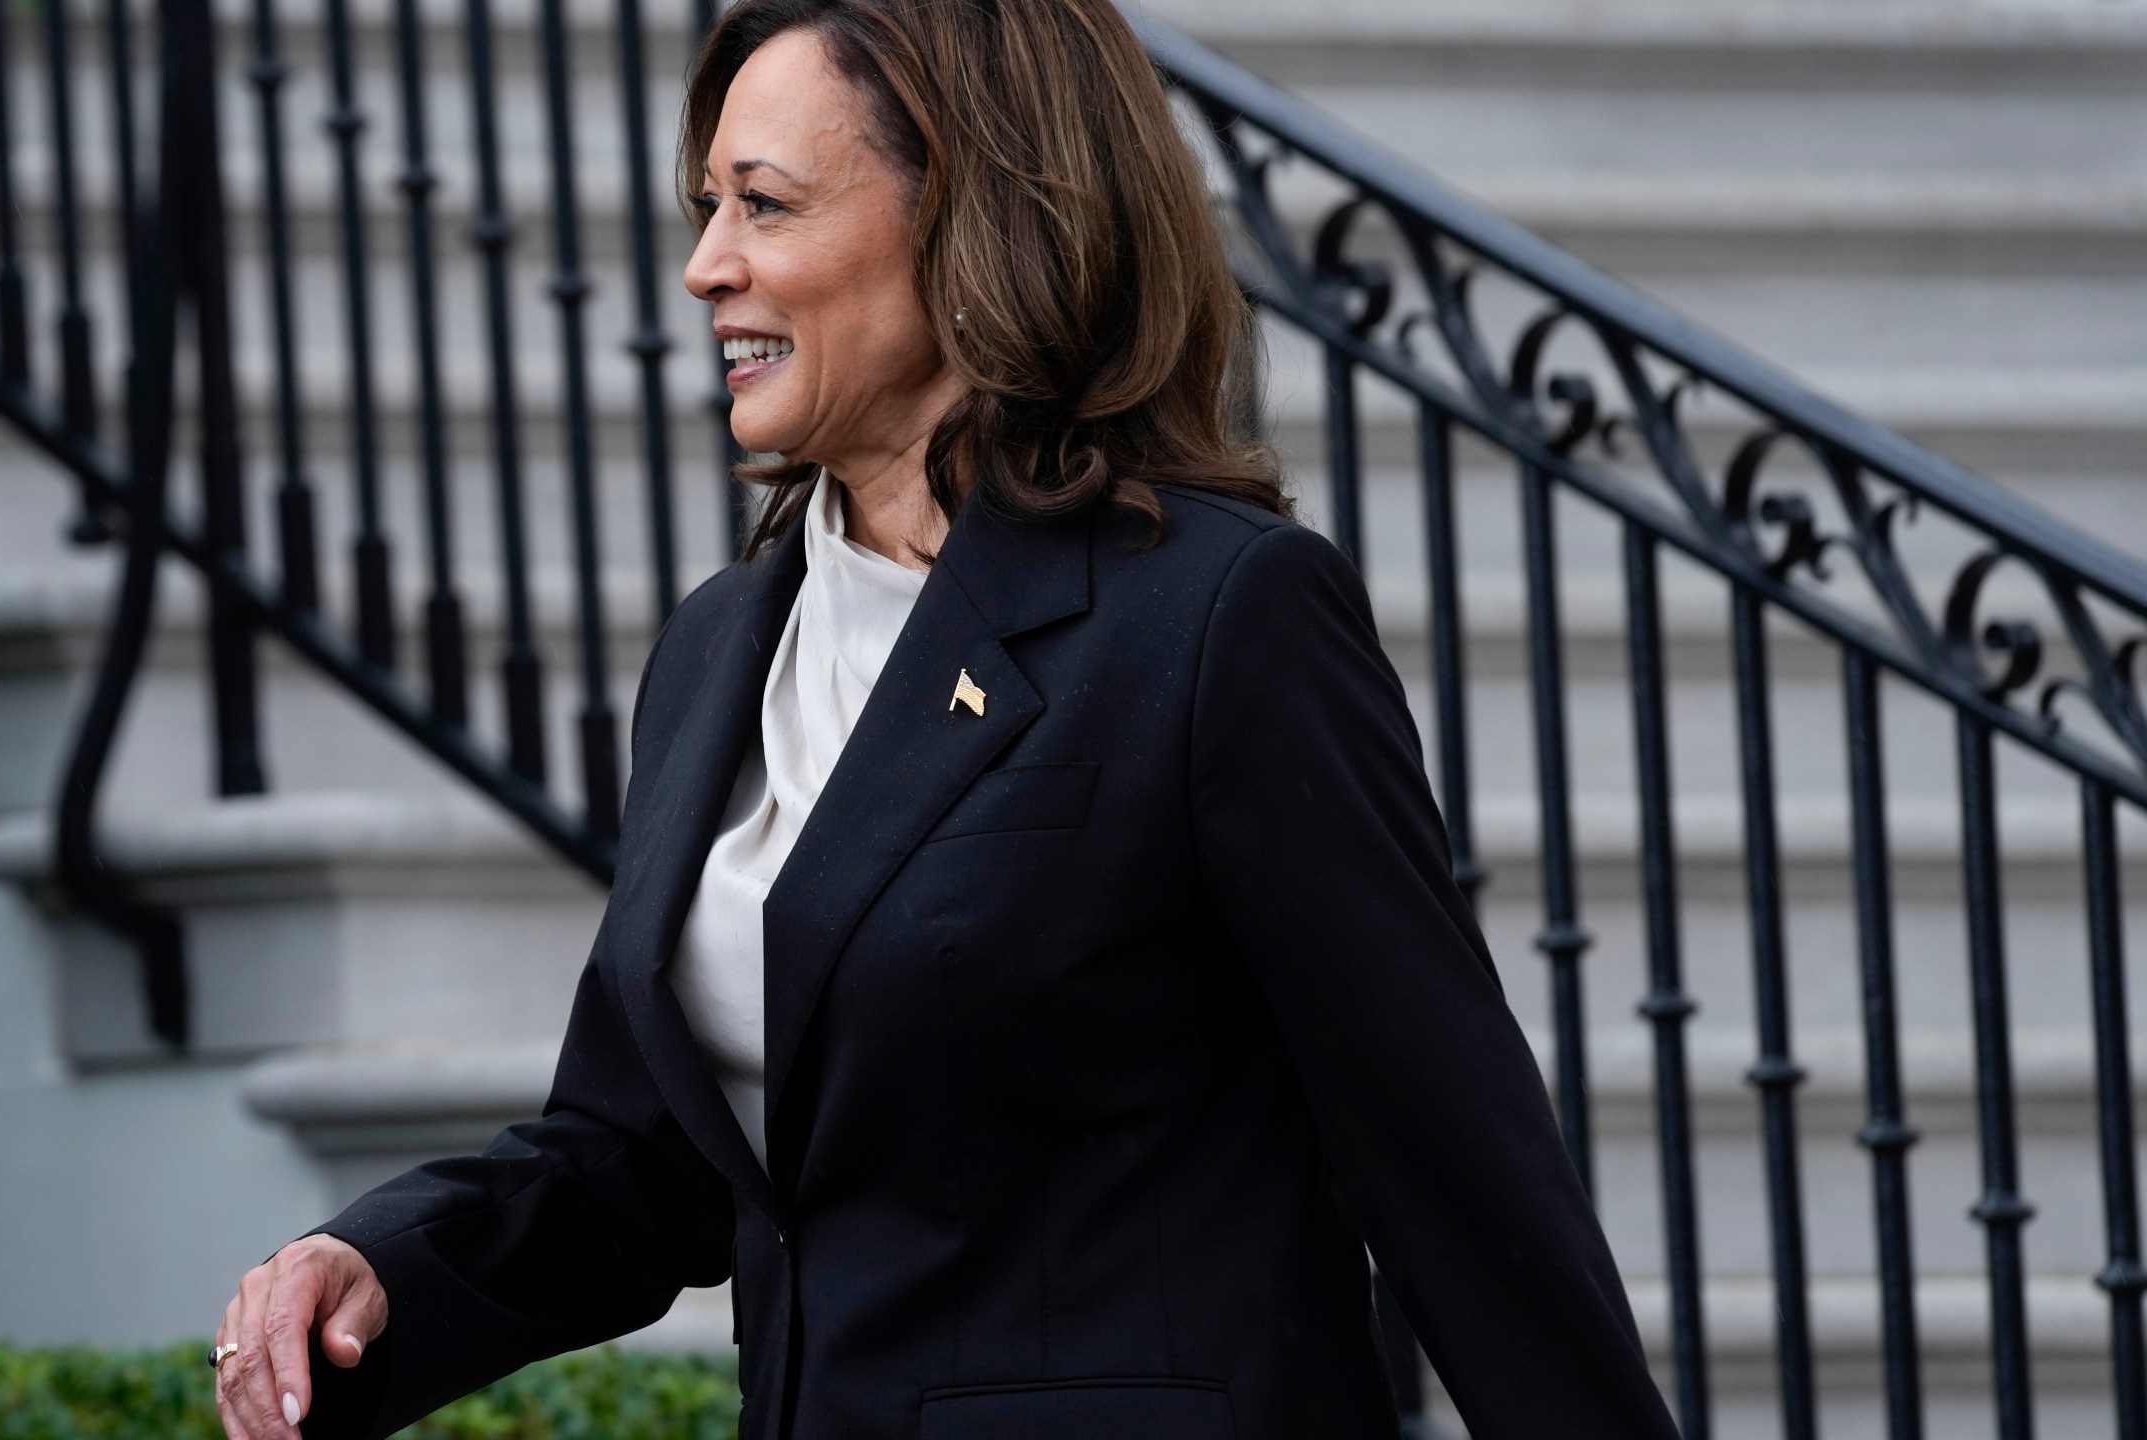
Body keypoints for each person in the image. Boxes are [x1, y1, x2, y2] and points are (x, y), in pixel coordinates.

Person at [211, 0, 1685, 1435]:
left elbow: (1451, 1163)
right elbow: (643, 1159)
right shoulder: (722, 651)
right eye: (704, 205)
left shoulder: (1221, 618)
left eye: (765, 205)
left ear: (972, 219)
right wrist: (387, 1270)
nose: (704, 265)